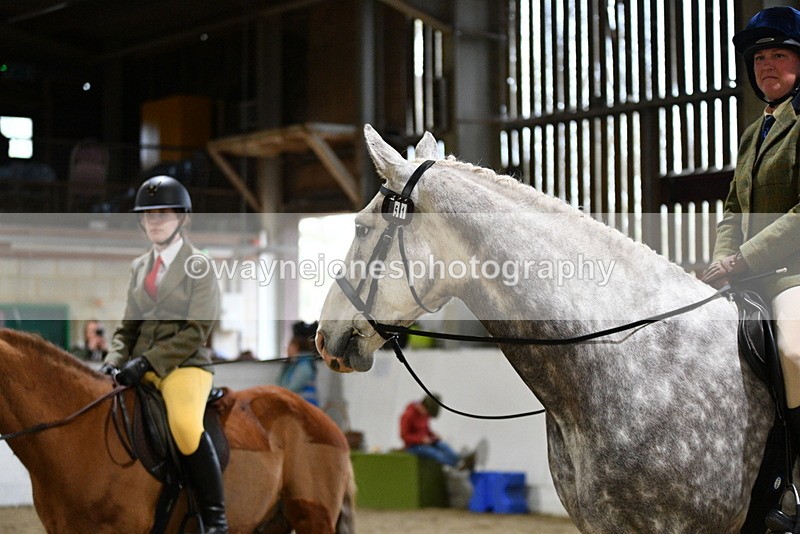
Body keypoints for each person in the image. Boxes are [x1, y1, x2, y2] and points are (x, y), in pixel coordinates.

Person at [702, 5, 800, 524]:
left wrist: (744, 260)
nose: (767, 65)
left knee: (796, 348)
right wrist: (722, 263)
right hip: (746, 276)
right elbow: (734, 209)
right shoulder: (751, 133)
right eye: (760, 57)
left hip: (793, 275)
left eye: (779, 55)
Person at [100, 175, 227, 533]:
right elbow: (127, 328)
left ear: (182, 218)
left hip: (185, 367)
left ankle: (215, 519)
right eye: (148, 214)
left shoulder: (200, 264)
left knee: (186, 427)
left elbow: (196, 331)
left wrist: (147, 361)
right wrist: (113, 359)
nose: (154, 221)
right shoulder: (139, 267)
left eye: (163, 213)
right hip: (137, 366)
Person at [399, 394, 474, 470]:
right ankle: (457, 465)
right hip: (413, 447)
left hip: (426, 442)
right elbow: (404, 436)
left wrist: (432, 435)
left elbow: (426, 429)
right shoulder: (407, 415)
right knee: (434, 453)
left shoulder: (425, 415)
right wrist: (421, 439)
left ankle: (461, 458)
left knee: (444, 446)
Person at [278, 321, 319, 406]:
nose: (287, 349)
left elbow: (290, 389)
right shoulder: (295, 365)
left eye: (290, 345)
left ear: (296, 346)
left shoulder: (304, 366)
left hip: (306, 409)